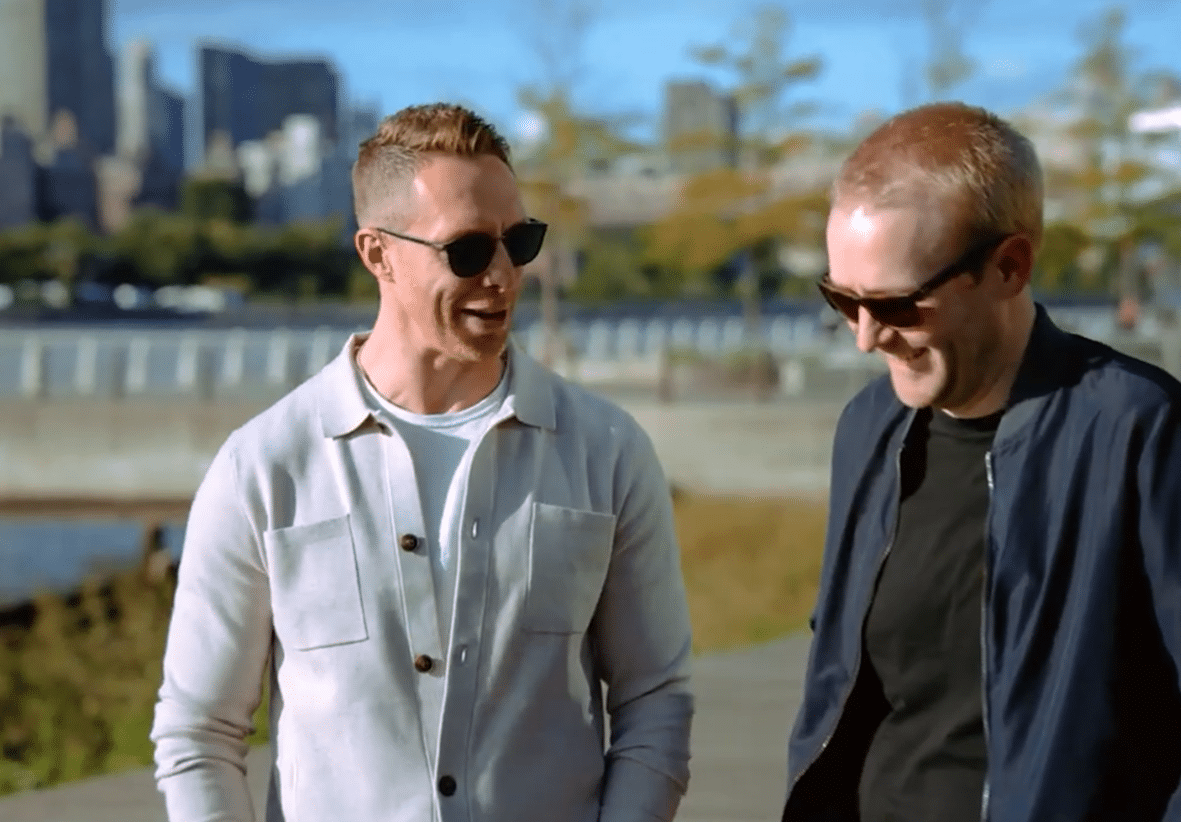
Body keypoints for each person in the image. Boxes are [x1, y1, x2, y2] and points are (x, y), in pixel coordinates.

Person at [151, 103, 694, 822]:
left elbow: (654, 698)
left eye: (519, 241)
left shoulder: (607, 450)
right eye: (467, 250)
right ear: (377, 253)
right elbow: (198, 732)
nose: (501, 274)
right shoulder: (262, 468)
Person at [782, 101, 1181, 822]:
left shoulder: (1138, 430)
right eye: (841, 301)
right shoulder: (867, 428)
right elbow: (837, 681)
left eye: (897, 305)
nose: (864, 340)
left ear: (1008, 267)